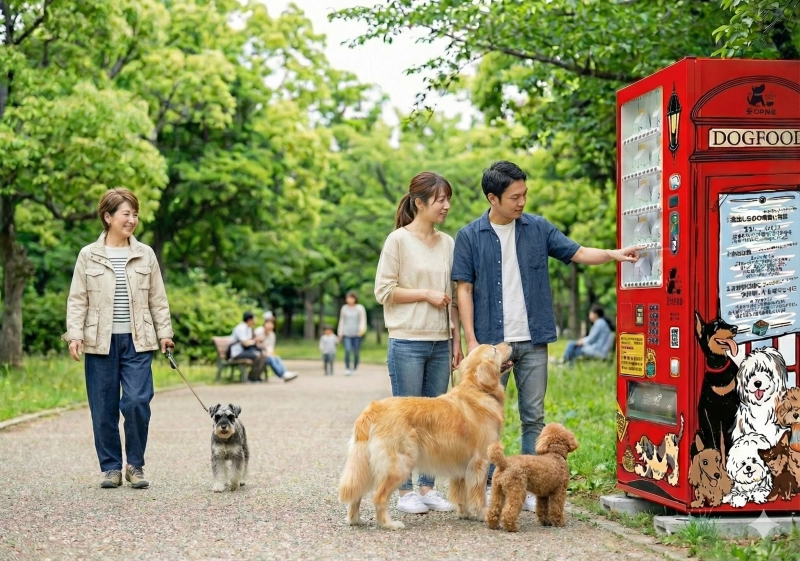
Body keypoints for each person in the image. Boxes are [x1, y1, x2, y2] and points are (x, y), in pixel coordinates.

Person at [451, 161, 641, 509]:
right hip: (492, 346)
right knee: (480, 420)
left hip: (534, 340)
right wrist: (472, 341)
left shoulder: (537, 228)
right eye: (514, 197)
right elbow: (464, 288)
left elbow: (579, 252)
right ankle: (475, 491)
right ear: (493, 198)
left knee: (533, 416)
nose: (522, 202)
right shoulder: (469, 236)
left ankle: (523, 487)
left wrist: (614, 254)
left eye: (524, 194)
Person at [63, 188, 175, 490]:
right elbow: (77, 299)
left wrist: (165, 333)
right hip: (100, 342)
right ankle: (111, 467)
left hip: (138, 341)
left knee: (138, 401)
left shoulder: (145, 254)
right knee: (103, 407)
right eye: (127, 213)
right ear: (108, 216)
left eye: (135, 214)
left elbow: (158, 299)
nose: (132, 219)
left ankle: (135, 465)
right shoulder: (88, 255)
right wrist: (74, 335)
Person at [374, 171, 464, 515]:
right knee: (406, 422)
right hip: (407, 342)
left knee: (435, 421)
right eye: (440, 200)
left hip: (440, 342)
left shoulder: (449, 243)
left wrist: (455, 339)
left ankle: (428, 488)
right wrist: (425, 294)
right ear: (420, 203)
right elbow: (383, 291)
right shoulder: (397, 241)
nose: (446, 205)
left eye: (447, 199)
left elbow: (454, 298)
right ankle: (404, 491)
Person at [255, 315, 299, 382]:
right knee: (271, 359)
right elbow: (255, 343)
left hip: (268, 353)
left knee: (277, 357)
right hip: (259, 352)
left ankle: (285, 373)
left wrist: (270, 352)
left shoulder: (272, 335)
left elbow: (271, 347)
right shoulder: (258, 331)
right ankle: (283, 375)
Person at [230, 311, 268, 382]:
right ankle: (251, 377)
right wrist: (254, 341)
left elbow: (250, 341)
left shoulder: (249, 328)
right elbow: (245, 343)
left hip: (246, 351)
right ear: (250, 320)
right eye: (254, 319)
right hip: (238, 352)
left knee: (264, 354)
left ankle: (256, 376)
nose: (255, 321)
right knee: (257, 355)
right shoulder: (240, 328)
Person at [338, 292, 367, 375]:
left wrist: (361, 331)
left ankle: (355, 368)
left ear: (355, 299)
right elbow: (342, 321)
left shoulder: (360, 308)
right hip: (346, 333)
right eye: (348, 298)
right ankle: (347, 368)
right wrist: (340, 332)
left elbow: (362, 320)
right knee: (347, 350)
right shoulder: (344, 308)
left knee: (356, 352)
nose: (350, 300)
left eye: (351, 298)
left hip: (357, 333)